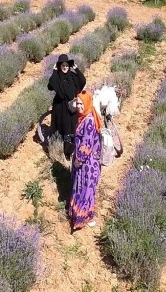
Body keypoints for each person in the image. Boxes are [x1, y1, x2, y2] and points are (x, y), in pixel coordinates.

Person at [68, 90, 102, 231]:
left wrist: (78, 160)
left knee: (85, 190)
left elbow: (86, 145)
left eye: (82, 103)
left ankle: (84, 218)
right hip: (86, 163)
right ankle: (81, 214)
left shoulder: (88, 121)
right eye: (77, 102)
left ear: (87, 103)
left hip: (87, 164)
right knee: (84, 189)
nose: (79, 106)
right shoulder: (85, 116)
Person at [48, 54, 86, 157]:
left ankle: (71, 150)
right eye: (62, 66)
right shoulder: (57, 77)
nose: (65, 67)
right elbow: (51, 84)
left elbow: (82, 81)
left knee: (73, 127)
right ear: (59, 66)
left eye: (66, 65)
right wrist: (54, 71)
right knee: (63, 128)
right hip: (60, 107)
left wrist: (76, 69)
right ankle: (62, 151)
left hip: (71, 107)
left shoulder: (72, 76)